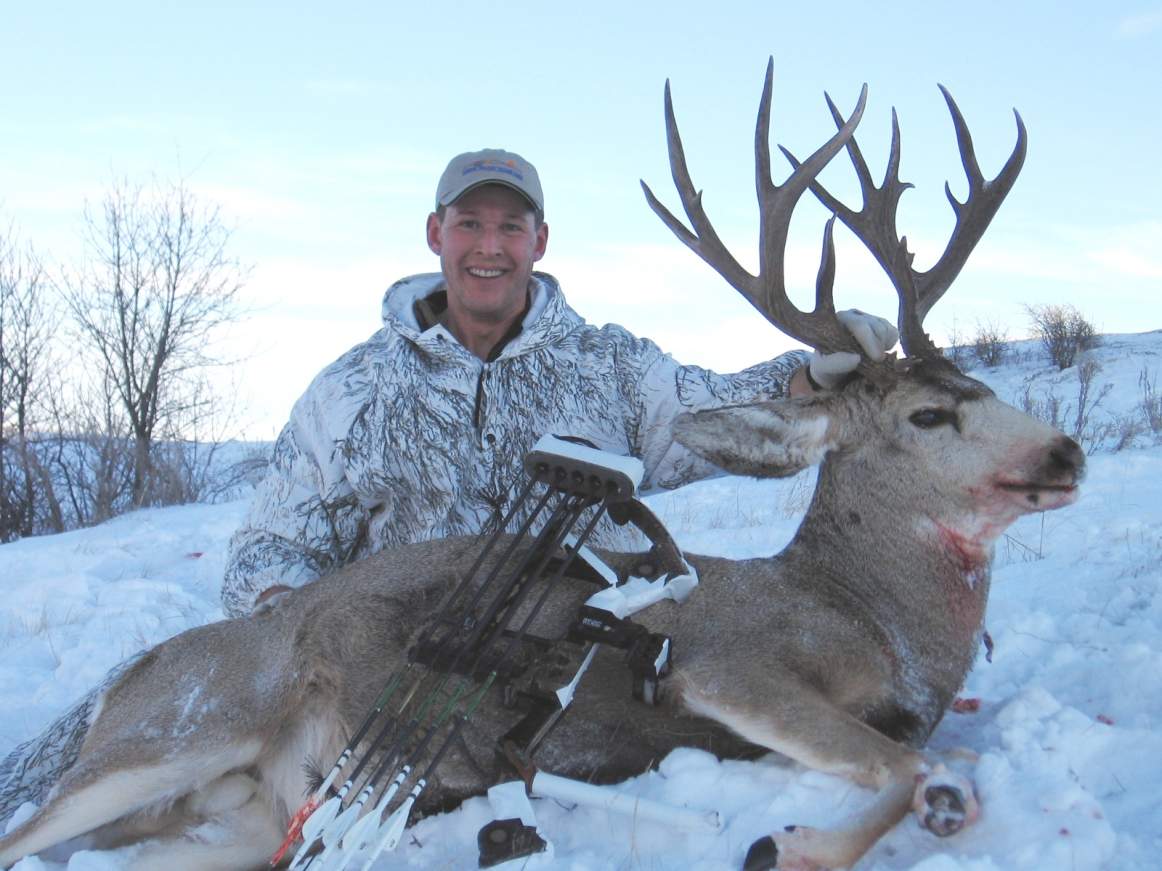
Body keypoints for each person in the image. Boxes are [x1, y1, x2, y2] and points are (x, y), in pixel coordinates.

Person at [0, 148, 897, 824]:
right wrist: (303, 640)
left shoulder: (612, 370)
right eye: (469, 224)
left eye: (511, 228)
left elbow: (714, 414)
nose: (489, 246)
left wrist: (808, 379)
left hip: (563, 680)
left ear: (539, 243)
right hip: (387, 673)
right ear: (436, 234)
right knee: (160, 781)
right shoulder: (350, 390)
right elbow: (270, 546)